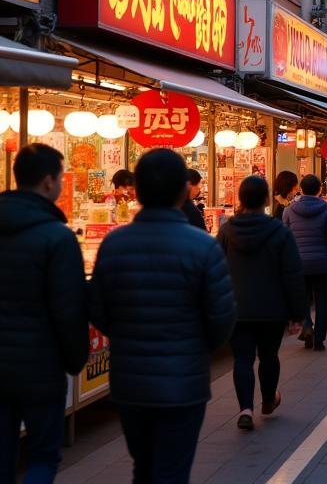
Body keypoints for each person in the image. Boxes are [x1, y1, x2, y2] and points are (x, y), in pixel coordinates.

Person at [89, 148, 236, 484]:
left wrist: (127, 334)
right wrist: (197, 346)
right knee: (172, 469)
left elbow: (97, 308)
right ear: (184, 191)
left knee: (143, 466)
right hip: (184, 380)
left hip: (130, 379)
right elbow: (222, 318)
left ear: (136, 191)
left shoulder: (114, 245)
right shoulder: (203, 246)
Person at [0, 143, 89, 484]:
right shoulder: (57, 237)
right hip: (41, 364)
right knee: (42, 455)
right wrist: (74, 359)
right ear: (50, 181)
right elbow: (68, 308)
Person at [218, 176, 306, 430]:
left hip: (237, 308)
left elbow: (214, 270)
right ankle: (268, 401)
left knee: (242, 359)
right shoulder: (279, 231)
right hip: (272, 308)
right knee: (269, 356)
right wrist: (298, 313)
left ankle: (245, 408)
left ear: (240, 199)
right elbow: (292, 273)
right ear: (267, 200)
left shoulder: (226, 231)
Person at [282, 175, 327, 351]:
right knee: (322, 301)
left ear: (301, 189)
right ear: (319, 190)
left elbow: (284, 237)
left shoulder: (289, 211)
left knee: (302, 299)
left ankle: (307, 326)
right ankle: (319, 339)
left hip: (298, 263)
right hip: (323, 263)